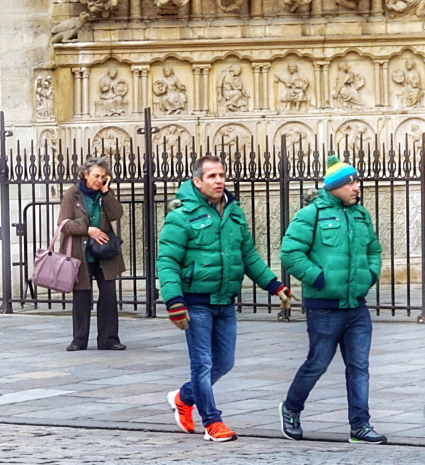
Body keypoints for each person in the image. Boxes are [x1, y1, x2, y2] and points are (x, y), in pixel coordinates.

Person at [158, 154, 292, 442]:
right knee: (203, 363)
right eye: (212, 176)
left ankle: (183, 397)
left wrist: (274, 285)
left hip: (224, 300)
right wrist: (174, 301)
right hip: (195, 301)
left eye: (221, 175)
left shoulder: (234, 212)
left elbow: (247, 255)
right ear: (197, 181)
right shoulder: (181, 216)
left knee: (225, 362)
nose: (219, 181)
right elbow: (167, 261)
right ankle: (212, 422)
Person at [278, 161, 386, 444]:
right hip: (324, 307)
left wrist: (369, 275)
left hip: (356, 305)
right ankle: (291, 408)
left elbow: (374, 249)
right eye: (351, 183)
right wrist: (319, 278)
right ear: (335, 187)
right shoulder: (311, 214)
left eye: (356, 181)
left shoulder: (361, 215)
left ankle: (360, 425)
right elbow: (290, 253)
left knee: (359, 366)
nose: (356, 187)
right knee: (318, 363)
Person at [56, 160, 126, 351]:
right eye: (96, 176)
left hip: (104, 251)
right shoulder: (72, 193)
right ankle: (79, 340)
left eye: (103, 176)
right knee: (81, 296)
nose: (99, 180)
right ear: (85, 174)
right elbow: (64, 224)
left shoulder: (105, 193)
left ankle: (109, 339)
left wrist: (106, 191)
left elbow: (116, 214)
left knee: (109, 294)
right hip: (81, 251)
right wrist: (88, 230)